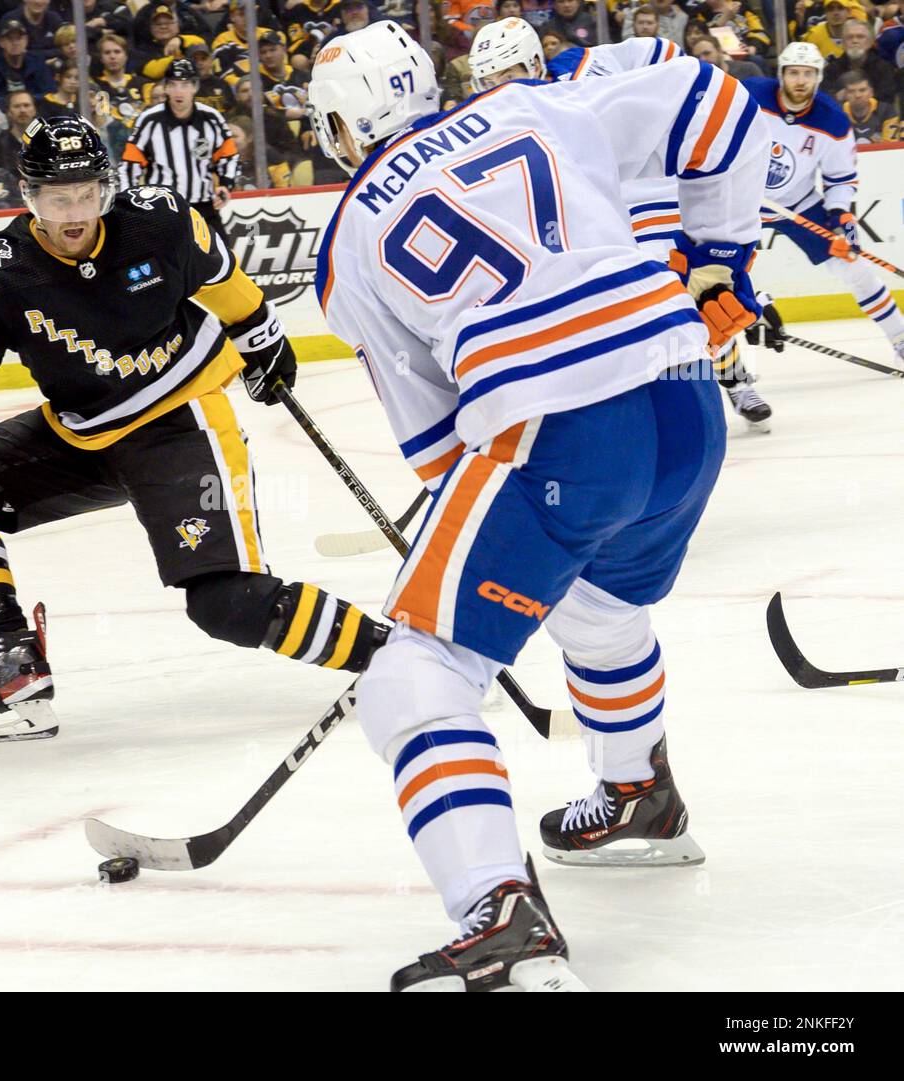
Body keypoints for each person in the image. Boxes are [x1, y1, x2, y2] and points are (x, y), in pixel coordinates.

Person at [307, 17, 765, 991]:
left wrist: (456, 577)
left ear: (343, 130)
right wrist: (722, 255)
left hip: (561, 424)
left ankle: (498, 916)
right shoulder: (536, 102)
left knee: (412, 673)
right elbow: (716, 102)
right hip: (685, 401)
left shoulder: (349, 233)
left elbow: (438, 441)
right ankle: (637, 793)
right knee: (597, 607)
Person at [0, 114, 387, 743]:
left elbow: (225, 282)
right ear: (27, 194)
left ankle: (395, 660)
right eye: (56, 197)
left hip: (181, 422)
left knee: (224, 603)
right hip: (83, 433)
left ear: (107, 187)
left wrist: (261, 337)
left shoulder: (159, 220)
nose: (74, 213)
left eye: (87, 193)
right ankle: (14, 665)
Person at [483, 17, 770, 429]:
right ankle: (680, 398)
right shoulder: (500, 124)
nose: (499, 86)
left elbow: (671, 63)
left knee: (698, 290)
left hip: (658, 190)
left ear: (531, 62)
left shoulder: (590, 63)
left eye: (507, 74)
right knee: (660, 306)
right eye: (489, 79)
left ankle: (736, 381)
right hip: (608, 213)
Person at [746, 43, 904, 359]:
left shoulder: (831, 120)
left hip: (798, 205)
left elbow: (840, 179)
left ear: (818, 78)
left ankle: (900, 339)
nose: (800, 81)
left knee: (853, 267)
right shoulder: (749, 95)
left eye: (807, 73)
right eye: (793, 73)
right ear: (781, 74)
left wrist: (840, 215)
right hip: (739, 203)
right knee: (718, 267)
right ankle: (753, 308)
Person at [120, 59, 238, 243]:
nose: (179, 91)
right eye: (173, 85)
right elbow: (129, 165)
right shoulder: (149, 121)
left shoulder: (211, 118)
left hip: (204, 207)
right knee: (168, 265)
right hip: (162, 209)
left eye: (185, 85)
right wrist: (131, 202)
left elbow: (228, 155)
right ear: (165, 88)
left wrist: (226, 183)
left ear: (195, 87)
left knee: (225, 261)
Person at [0, 17, 53, 108]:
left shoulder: (38, 63)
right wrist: (13, 104)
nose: (15, 43)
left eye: (19, 38)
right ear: (1, 42)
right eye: (10, 39)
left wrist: (26, 102)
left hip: (34, 111)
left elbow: (49, 93)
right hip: (3, 113)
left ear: (26, 40)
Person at [822, 20, 897, 104]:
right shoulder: (831, 70)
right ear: (842, 43)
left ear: (871, 42)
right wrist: (836, 97)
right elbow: (823, 100)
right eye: (849, 37)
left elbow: (887, 101)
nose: (855, 41)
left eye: (860, 37)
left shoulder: (884, 69)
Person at [0, 90, 38, 177]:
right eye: (17, 106)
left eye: (26, 105)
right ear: (8, 112)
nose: (22, 110)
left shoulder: (48, 140)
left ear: (34, 110)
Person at [839, 71, 895, 142]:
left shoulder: (886, 111)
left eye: (862, 90)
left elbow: (892, 147)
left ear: (871, 92)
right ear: (845, 94)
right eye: (851, 91)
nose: (857, 95)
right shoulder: (837, 114)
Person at [692, 33, 764, 81]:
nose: (702, 59)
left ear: (719, 51)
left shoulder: (748, 69)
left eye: (707, 53)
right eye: (697, 57)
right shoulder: (699, 81)